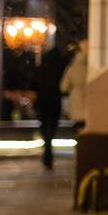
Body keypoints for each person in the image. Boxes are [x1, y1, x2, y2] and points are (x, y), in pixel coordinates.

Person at [35, 39, 78, 170]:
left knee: (45, 126)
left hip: (43, 101)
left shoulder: (43, 68)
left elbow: (35, 82)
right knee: (52, 126)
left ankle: (47, 150)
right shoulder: (60, 68)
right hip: (54, 101)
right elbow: (63, 87)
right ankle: (48, 149)